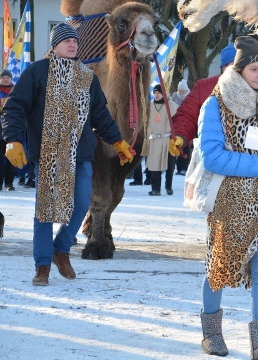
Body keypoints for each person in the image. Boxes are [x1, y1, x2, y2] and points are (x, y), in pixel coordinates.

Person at [1, 23, 135, 286]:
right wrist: (12, 139)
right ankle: (42, 265)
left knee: (82, 203)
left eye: (74, 41)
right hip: (49, 151)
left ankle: (60, 249)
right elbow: (15, 107)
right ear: (54, 45)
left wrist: (118, 141)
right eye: (66, 41)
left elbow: (100, 116)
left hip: (82, 152)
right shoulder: (37, 72)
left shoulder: (87, 76)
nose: (72, 44)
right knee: (45, 211)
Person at [197, 36, 258, 359]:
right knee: (219, 267)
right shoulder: (216, 104)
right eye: (254, 68)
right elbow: (212, 157)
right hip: (231, 202)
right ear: (238, 70)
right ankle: (211, 333)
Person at [172, 43, 258, 168]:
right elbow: (187, 115)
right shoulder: (206, 89)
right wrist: (180, 135)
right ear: (224, 67)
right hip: (218, 164)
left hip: (256, 164)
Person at [145, 84, 178, 196]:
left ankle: (168, 186)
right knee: (155, 165)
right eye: (154, 92)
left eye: (158, 92)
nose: (156, 95)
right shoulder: (149, 106)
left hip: (167, 138)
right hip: (154, 139)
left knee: (169, 164)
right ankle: (155, 189)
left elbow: (178, 118)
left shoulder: (171, 106)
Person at [0, 69, 16, 191]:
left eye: (7, 77)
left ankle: (9, 183)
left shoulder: (16, 90)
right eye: (3, 77)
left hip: (12, 128)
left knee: (11, 156)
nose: (5, 79)